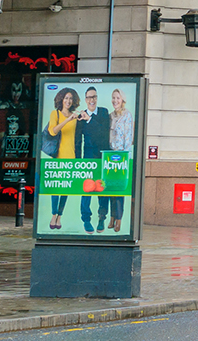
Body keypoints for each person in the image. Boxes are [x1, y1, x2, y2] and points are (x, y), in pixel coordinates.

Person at [76, 86, 112, 233]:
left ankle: (102, 217)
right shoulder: (80, 117)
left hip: (102, 155)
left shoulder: (103, 112)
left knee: (102, 187)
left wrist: (90, 119)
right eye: (89, 97)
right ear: (85, 100)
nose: (92, 100)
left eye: (94, 97)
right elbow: (78, 140)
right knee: (87, 188)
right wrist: (78, 160)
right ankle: (86, 220)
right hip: (88, 156)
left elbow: (104, 133)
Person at [45, 88, 81, 229]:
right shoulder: (56, 114)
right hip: (58, 156)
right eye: (66, 98)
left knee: (65, 190)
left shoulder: (75, 116)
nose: (68, 101)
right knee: (55, 188)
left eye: (70, 98)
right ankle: (53, 215)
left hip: (71, 156)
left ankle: (60, 216)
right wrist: (67, 120)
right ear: (61, 99)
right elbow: (52, 131)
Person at [105, 89, 133, 231]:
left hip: (121, 157)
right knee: (111, 190)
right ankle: (111, 217)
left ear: (122, 100)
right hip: (110, 156)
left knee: (119, 191)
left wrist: (125, 158)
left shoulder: (127, 115)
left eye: (117, 98)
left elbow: (128, 139)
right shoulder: (110, 116)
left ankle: (119, 219)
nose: (115, 100)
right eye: (113, 97)